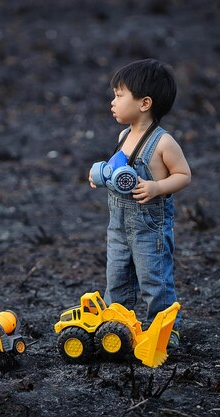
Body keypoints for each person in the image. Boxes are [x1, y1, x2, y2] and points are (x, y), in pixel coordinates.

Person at [88, 58, 191, 348]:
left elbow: (183, 175)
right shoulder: (123, 136)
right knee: (117, 278)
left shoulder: (163, 143)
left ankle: (167, 331)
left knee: (154, 281)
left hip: (150, 228)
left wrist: (158, 186)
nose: (113, 101)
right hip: (118, 227)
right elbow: (116, 170)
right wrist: (99, 176)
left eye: (119, 96)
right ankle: (118, 327)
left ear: (144, 103)